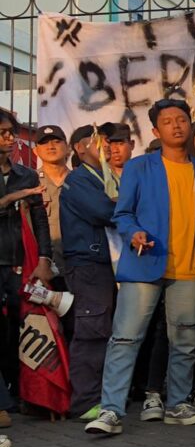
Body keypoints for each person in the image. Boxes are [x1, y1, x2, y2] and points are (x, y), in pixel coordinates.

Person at [85, 98, 195, 436]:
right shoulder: (140, 167)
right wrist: (134, 233)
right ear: (156, 131)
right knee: (126, 338)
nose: (176, 125)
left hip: (190, 267)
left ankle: (178, 404)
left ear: (190, 125)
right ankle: (111, 410)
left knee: (185, 339)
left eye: (181, 119)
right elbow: (122, 214)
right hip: (145, 265)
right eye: (168, 121)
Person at [59, 126, 117, 420]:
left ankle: (103, 395)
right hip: (89, 265)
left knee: (104, 330)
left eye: (105, 141)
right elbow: (104, 211)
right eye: (95, 141)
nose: (103, 146)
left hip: (104, 265)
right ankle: (85, 401)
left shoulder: (105, 176)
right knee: (91, 331)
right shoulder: (79, 180)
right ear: (79, 149)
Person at [0, 109, 52, 431]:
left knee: (18, 333)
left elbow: (41, 221)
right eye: (3, 132)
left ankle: (21, 395)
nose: (9, 137)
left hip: (21, 264)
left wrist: (45, 259)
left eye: (11, 132)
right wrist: (10, 199)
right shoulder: (21, 186)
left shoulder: (27, 175)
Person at [34, 125, 70, 279]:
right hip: (41, 264)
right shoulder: (29, 182)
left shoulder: (81, 181)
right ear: (35, 151)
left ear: (67, 148)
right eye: (44, 143)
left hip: (76, 264)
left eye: (56, 141)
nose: (51, 146)